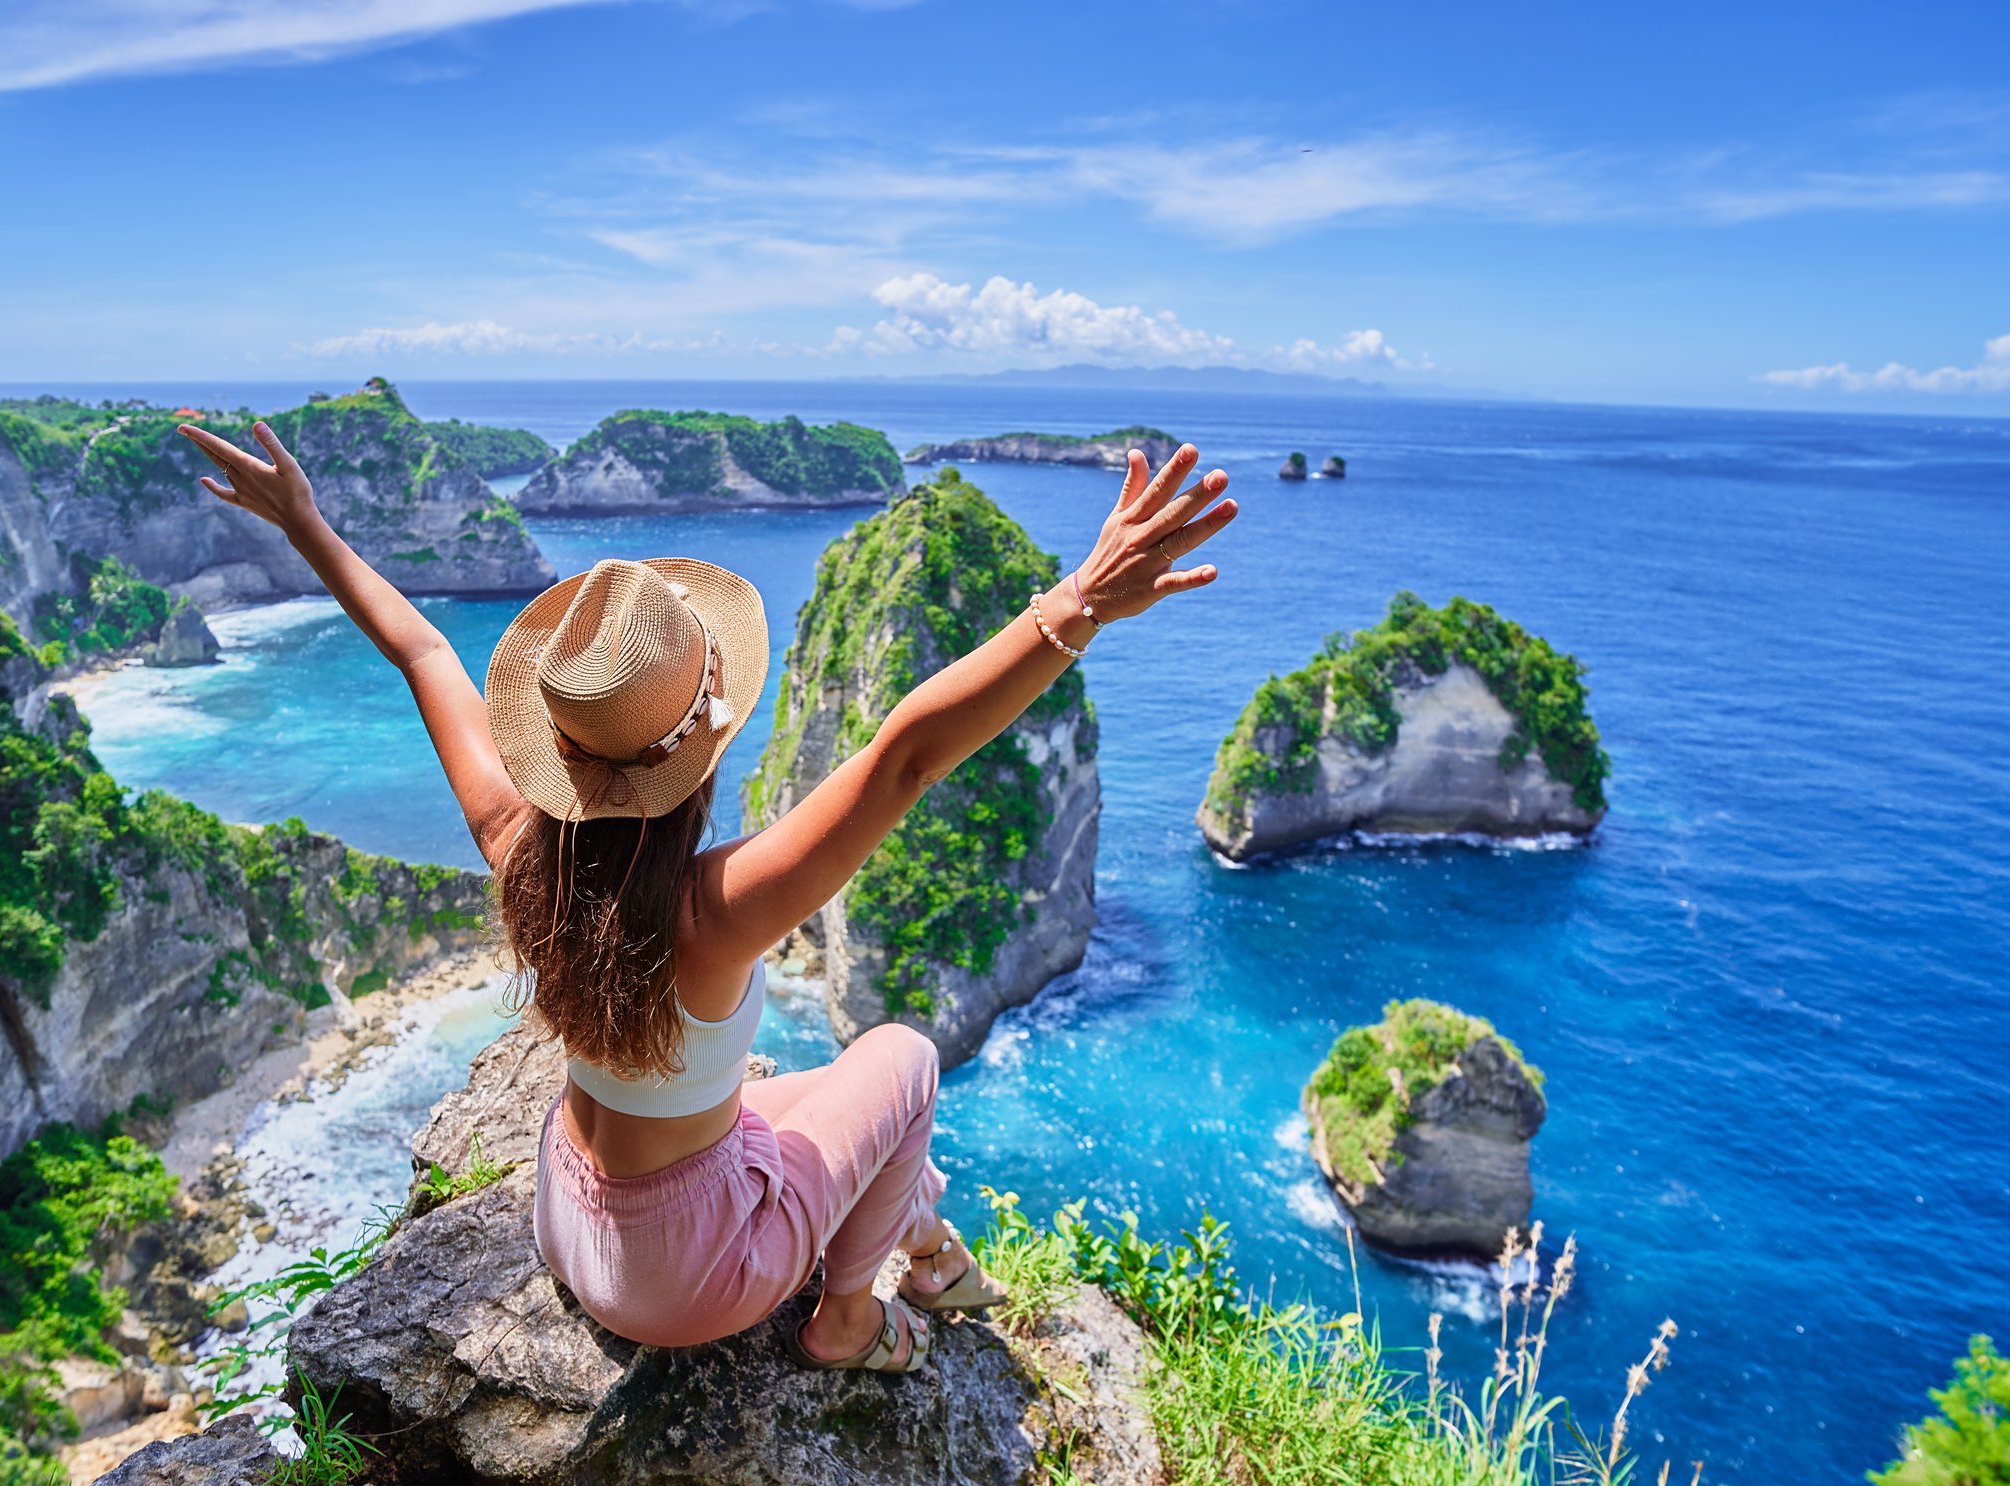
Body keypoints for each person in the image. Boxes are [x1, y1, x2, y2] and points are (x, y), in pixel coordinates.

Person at [178, 417, 1236, 1373]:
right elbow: (908, 754)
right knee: (904, 1058)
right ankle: (852, 1323)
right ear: (700, 752)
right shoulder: (717, 911)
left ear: (557, 751)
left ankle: (921, 1232)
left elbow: (419, 651)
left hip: (569, 1219)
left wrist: (305, 524)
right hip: (687, 1282)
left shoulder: (520, 848)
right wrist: (1081, 599)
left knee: (819, 1106)